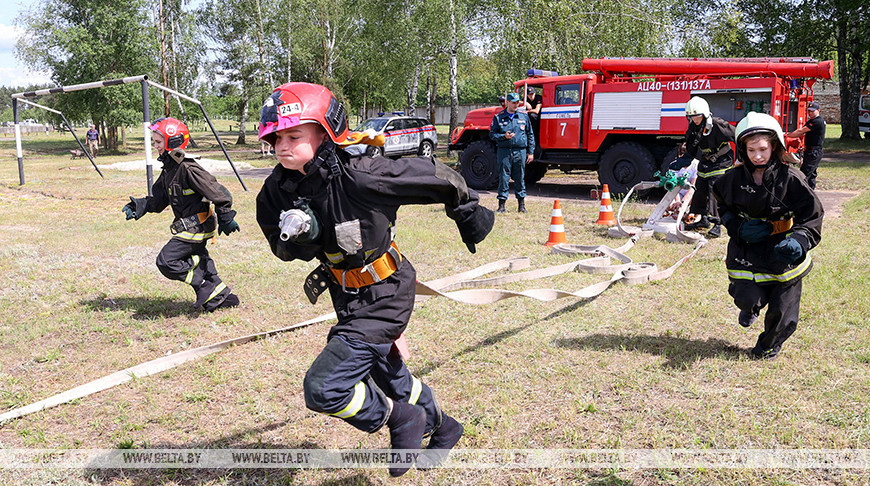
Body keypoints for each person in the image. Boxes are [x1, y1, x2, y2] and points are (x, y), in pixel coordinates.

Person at [255, 83, 494, 477]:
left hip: (387, 292)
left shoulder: (362, 175)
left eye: (294, 135)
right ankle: (444, 427)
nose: (282, 145)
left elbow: (438, 176)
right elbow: (279, 247)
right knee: (390, 374)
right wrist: (303, 238)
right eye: (276, 137)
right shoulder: (277, 191)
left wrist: (469, 214)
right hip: (345, 294)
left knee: (323, 387)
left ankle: (399, 420)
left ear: (325, 132)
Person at [712, 112, 823, 360]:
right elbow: (722, 208)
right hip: (747, 248)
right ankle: (749, 307)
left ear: (774, 146)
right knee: (746, 296)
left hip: (783, 249)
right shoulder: (731, 180)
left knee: (783, 310)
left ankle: (767, 347)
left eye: (763, 149)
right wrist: (737, 227)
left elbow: (812, 215)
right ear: (743, 149)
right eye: (751, 150)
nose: (757, 156)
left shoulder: (792, 178)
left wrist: (800, 240)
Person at [122, 117, 241, 312]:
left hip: (198, 226)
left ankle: (203, 285)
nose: (155, 146)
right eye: (154, 141)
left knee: (166, 261)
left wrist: (226, 218)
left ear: (172, 142)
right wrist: (139, 206)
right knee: (198, 258)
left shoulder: (187, 167)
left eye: (158, 142)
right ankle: (222, 298)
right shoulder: (170, 168)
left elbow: (220, 193)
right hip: (188, 226)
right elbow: (159, 198)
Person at [670, 96, 735, 238]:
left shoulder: (718, 124)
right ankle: (703, 220)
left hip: (722, 159)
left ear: (705, 114)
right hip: (706, 160)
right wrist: (684, 161)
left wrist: (744, 157)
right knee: (700, 187)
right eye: (692, 117)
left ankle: (718, 224)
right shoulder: (693, 128)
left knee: (714, 188)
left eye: (697, 116)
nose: (695, 119)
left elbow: (737, 136)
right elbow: (691, 149)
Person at [490, 92, 535, 213]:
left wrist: (530, 152)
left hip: (520, 151)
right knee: (503, 178)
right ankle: (502, 205)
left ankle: (521, 205)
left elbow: (530, 134)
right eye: (513, 103)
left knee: (520, 178)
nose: (516, 105)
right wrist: (503, 136)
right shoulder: (498, 117)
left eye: (517, 103)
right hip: (504, 151)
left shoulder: (523, 116)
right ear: (507, 102)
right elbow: (492, 134)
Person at [786, 101, 826, 189]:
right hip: (811, 150)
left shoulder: (817, 122)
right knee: (811, 173)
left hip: (814, 151)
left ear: (818, 110)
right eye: (809, 111)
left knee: (804, 173)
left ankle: (801, 192)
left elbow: (801, 131)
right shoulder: (812, 121)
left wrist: (786, 136)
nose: (810, 113)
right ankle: (811, 191)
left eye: (812, 111)